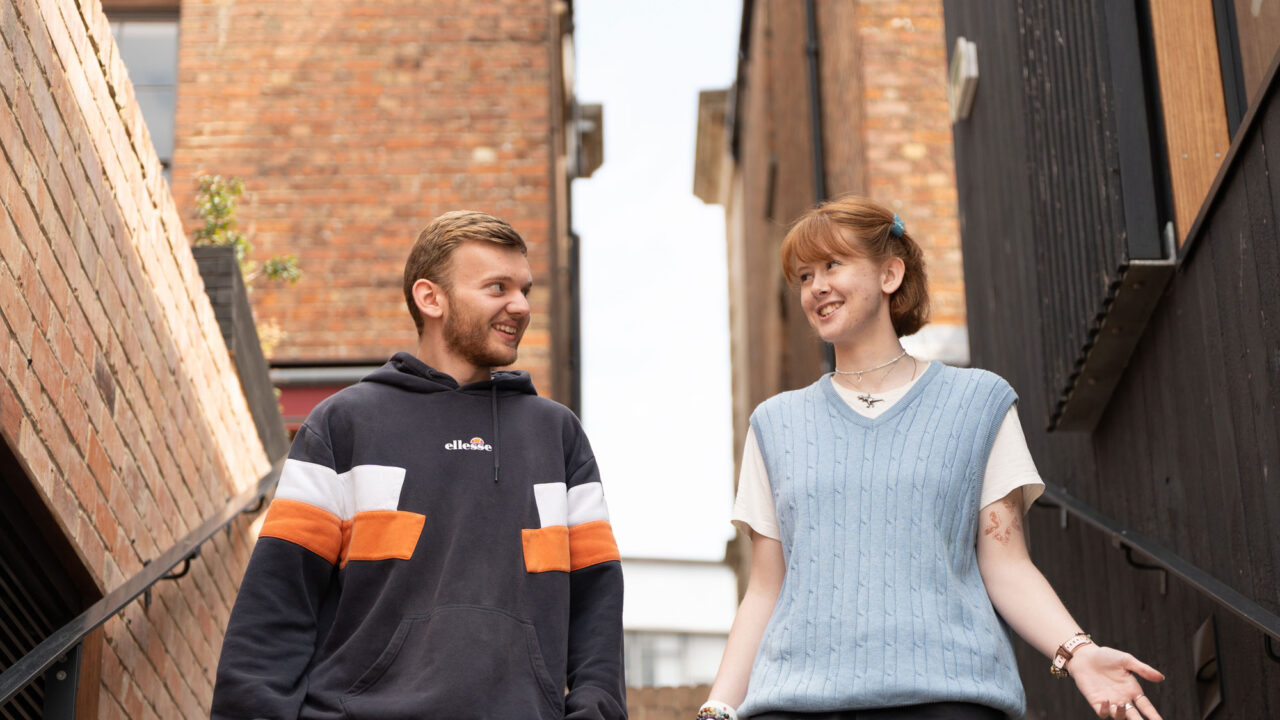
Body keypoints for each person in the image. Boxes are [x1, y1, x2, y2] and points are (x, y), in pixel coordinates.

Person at [697, 195, 1164, 720]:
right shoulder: (774, 425)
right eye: (804, 276)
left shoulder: (978, 403)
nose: (816, 287)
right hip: (793, 704)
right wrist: (717, 708)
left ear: (890, 274)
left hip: (948, 698)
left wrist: (1077, 653)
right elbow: (765, 588)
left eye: (833, 265)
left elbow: (1006, 564)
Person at [212, 210, 627, 720]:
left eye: (525, 289)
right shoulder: (346, 423)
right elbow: (276, 604)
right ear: (431, 298)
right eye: (497, 287)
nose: (519, 306)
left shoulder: (557, 436)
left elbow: (598, 608)